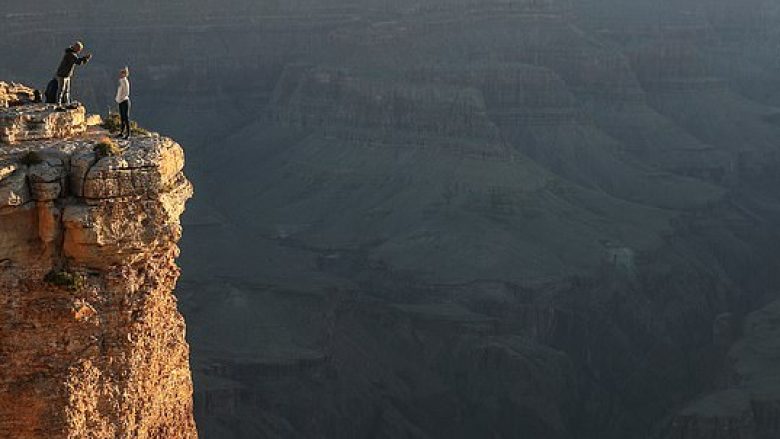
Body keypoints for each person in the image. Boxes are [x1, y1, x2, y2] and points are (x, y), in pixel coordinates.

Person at [115, 67, 131, 139]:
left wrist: (120, 99)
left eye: (122, 73)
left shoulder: (125, 81)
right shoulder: (121, 81)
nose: (120, 74)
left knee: (126, 118)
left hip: (125, 101)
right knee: (122, 117)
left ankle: (128, 134)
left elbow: (126, 93)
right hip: (121, 101)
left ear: (125, 74)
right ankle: (121, 133)